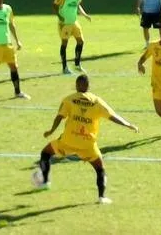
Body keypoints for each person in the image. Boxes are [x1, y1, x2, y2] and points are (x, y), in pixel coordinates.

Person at [36, 74, 139, 204]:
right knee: (100, 169)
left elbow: (59, 117)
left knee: (45, 153)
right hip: (87, 145)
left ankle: (45, 182)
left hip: (68, 141)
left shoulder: (69, 99)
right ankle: (102, 197)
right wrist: (128, 124)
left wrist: (51, 131)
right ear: (89, 86)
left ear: (76, 85)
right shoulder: (97, 101)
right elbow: (112, 116)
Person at [53, 0, 92, 74]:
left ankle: (77, 64)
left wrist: (85, 15)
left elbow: (78, 5)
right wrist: (59, 16)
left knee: (81, 41)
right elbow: (55, 4)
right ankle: (64, 67)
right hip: (65, 23)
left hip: (74, 22)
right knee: (64, 44)